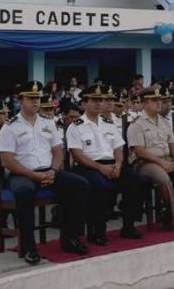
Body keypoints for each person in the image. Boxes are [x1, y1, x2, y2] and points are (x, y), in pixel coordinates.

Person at [0, 82, 90, 264]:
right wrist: (34, 176)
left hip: (49, 171)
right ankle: (29, 246)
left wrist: (54, 171)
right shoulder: (10, 126)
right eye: (31, 98)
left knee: (80, 185)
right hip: (23, 174)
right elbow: (7, 160)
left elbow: (58, 150)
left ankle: (70, 237)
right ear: (20, 100)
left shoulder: (48, 123)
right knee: (24, 192)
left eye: (38, 98)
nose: (36, 102)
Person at [66, 84, 147, 243]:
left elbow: (118, 147)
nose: (98, 103)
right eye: (94, 100)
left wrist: (118, 164)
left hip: (112, 165)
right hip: (88, 166)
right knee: (100, 187)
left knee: (138, 182)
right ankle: (98, 232)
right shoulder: (75, 126)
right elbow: (77, 155)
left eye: (100, 100)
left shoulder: (108, 123)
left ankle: (128, 225)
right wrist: (100, 168)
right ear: (84, 103)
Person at [128, 86, 174, 230]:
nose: (159, 103)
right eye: (154, 100)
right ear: (145, 103)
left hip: (167, 159)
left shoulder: (164, 122)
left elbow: (173, 144)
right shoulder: (137, 124)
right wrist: (161, 162)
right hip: (146, 163)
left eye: (159, 100)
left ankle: (169, 214)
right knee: (164, 179)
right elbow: (139, 151)